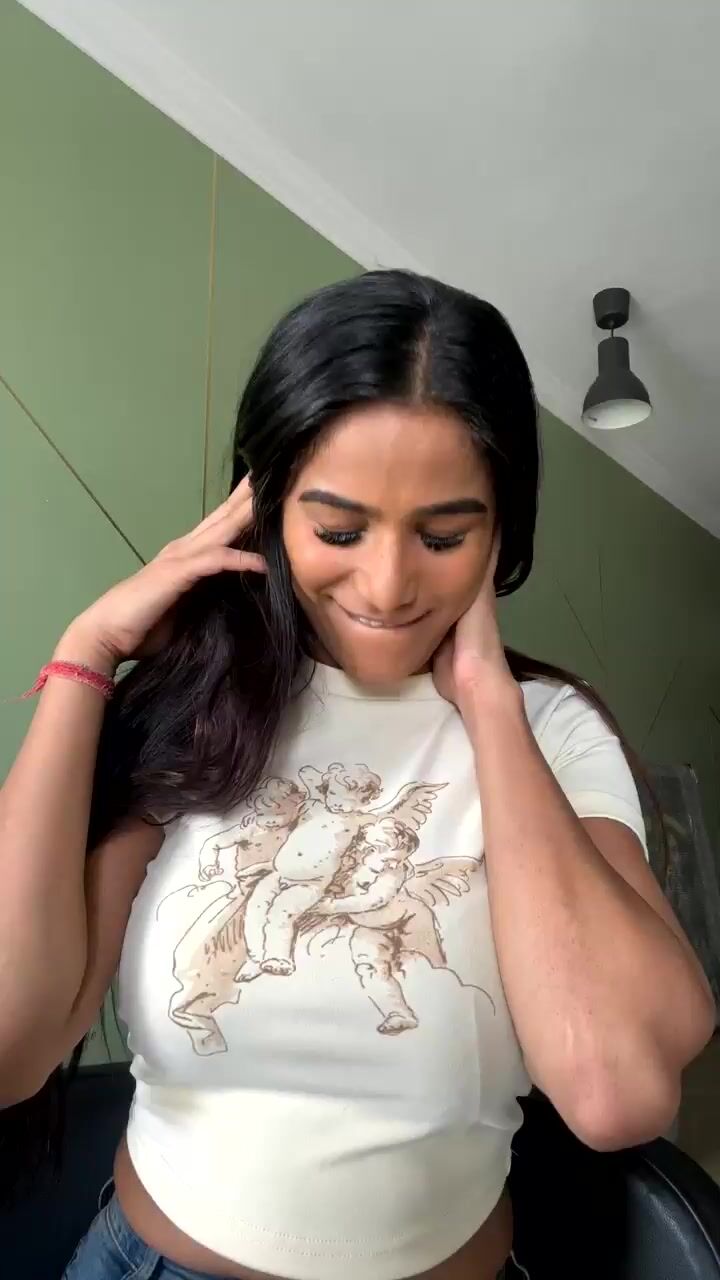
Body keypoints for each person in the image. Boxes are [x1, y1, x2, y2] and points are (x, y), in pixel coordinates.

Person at [0, 269, 713, 1280]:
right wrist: (87, 653)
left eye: (444, 536)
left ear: (502, 530)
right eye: (338, 530)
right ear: (265, 506)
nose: (386, 584)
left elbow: (616, 1092)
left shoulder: (552, 734)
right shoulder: (201, 704)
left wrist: (490, 706)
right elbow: (10, 1044)